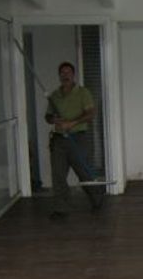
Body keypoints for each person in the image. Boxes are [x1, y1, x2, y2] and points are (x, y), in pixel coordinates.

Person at [44, 61, 104, 219]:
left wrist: (72, 123)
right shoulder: (54, 96)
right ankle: (61, 208)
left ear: (73, 74)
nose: (65, 75)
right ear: (59, 75)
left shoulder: (83, 93)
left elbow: (90, 113)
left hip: (77, 138)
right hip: (59, 140)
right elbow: (47, 116)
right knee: (58, 175)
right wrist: (53, 119)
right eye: (62, 73)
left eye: (68, 72)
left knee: (83, 172)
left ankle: (96, 198)